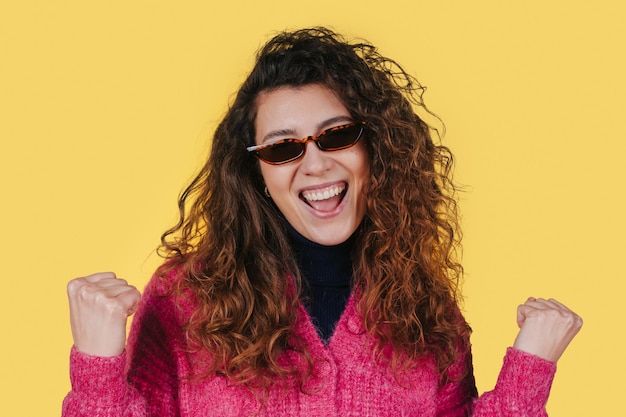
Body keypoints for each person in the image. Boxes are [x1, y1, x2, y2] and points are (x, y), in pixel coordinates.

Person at [62, 27, 582, 416]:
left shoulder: (425, 310)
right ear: (257, 171)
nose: (315, 163)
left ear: (374, 146)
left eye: (336, 135)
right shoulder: (185, 298)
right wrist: (96, 366)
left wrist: (529, 368)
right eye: (284, 147)